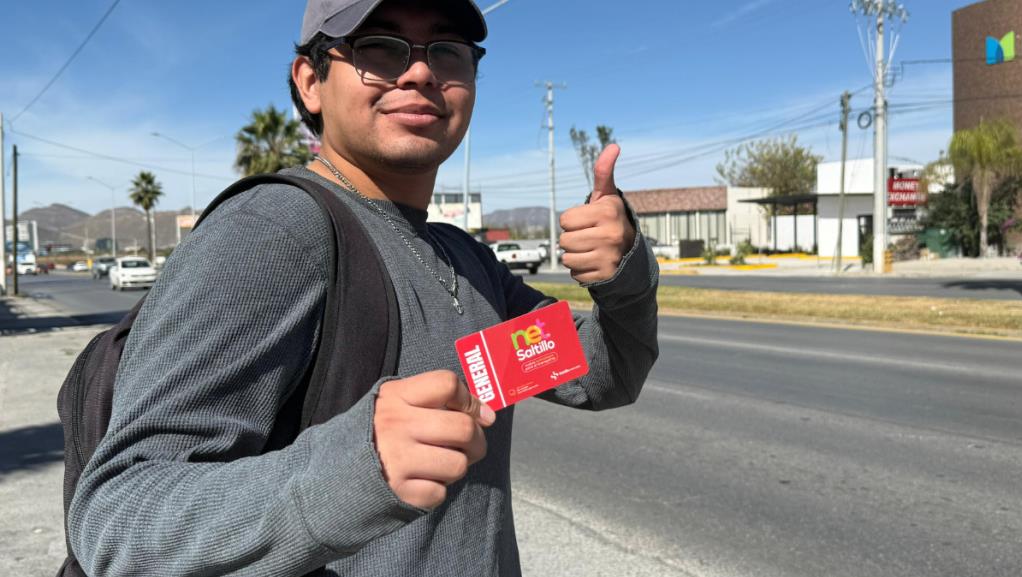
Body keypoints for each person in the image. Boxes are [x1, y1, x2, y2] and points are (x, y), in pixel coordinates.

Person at [68, 0, 659, 575]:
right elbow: (120, 522)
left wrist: (623, 274)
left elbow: (602, 373)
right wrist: (354, 469)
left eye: (448, 50)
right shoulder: (275, 231)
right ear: (311, 81)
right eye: (379, 47)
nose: (422, 71)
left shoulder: (466, 261)